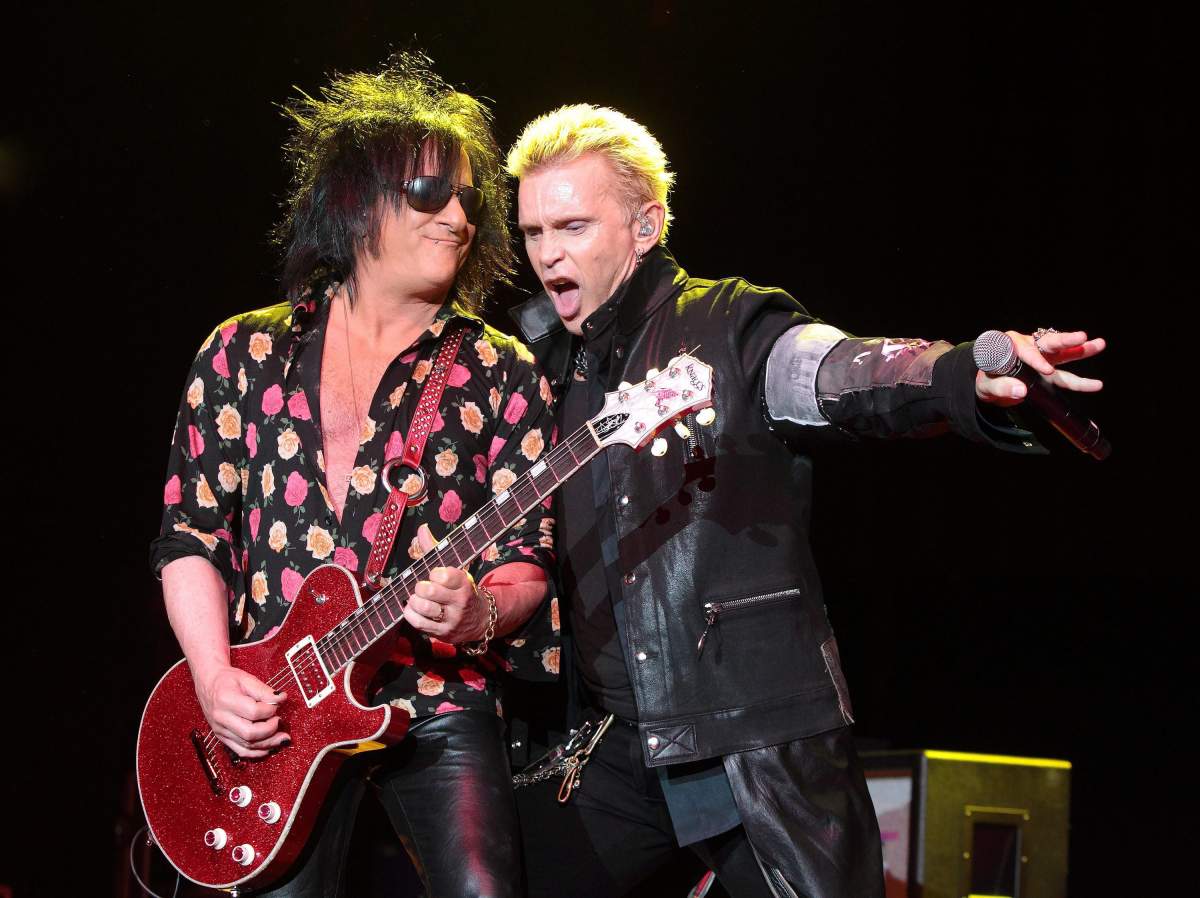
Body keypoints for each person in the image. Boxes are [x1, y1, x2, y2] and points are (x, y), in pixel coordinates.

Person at [503, 104, 1105, 897]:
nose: (549, 255)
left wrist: (963, 373)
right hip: (620, 744)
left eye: (573, 227)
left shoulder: (727, 325)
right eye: (535, 233)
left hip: (746, 736)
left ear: (646, 226)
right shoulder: (551, 367)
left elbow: (844, 374)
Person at [150, 55, 559, 898]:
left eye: (470, 202)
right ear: (357, 197)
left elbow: (528, 558)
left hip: (435, 695)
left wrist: (482, 607)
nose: (457, 216)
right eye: (429, 193)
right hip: (272, 710)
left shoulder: (502, 370)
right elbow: (188, 536)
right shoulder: (242, 353)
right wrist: (212, 675)